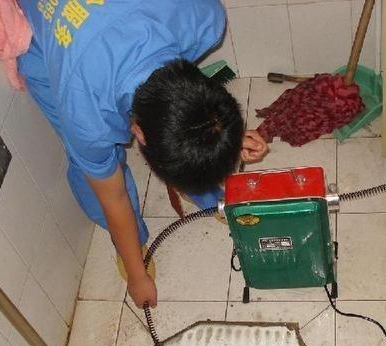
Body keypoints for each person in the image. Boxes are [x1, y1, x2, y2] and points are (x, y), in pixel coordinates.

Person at [16, 0, 269, 308]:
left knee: (184, 144)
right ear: (137, 133)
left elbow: (190, 96)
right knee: (93, 170)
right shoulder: (85, 116)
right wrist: (137, 275)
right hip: (50, 51)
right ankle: (129, 242)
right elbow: (114, 197)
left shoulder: (202, 17)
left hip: (115, 24)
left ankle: (191, 178)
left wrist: (219, 133)